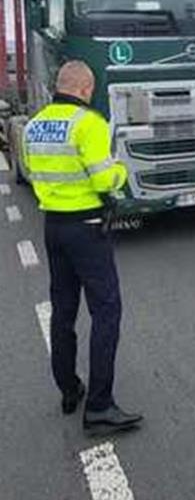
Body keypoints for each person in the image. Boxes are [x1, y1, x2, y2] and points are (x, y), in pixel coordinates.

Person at [24, 60, 142, 436]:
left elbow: (33, 171)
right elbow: (104, 178)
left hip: (53, 226)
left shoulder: (34, 124)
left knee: (63, 310)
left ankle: (69, 389)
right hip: (87, 229)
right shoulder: (89, 123)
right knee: (106, 312)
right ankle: (100, 406)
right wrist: (121, 170)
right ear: (85, 88)